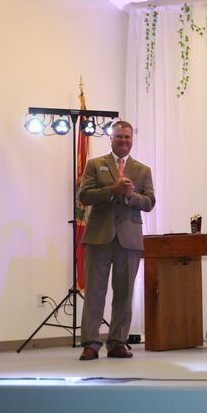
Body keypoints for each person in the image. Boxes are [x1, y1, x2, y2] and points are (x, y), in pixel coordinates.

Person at [78, 121, 155, 360]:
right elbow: (84, 196)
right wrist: (113, 189)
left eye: (127, 138)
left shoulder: (142, 170)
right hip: (99, 238)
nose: (123, 141)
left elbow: (150, 202)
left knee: (124, 294)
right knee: (95, 293)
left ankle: (117, 342)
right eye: (119, 137)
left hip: (129, 239)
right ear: (110, 138)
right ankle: (91, 343)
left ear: (132, 140)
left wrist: (131, 196)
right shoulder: (95, 164)